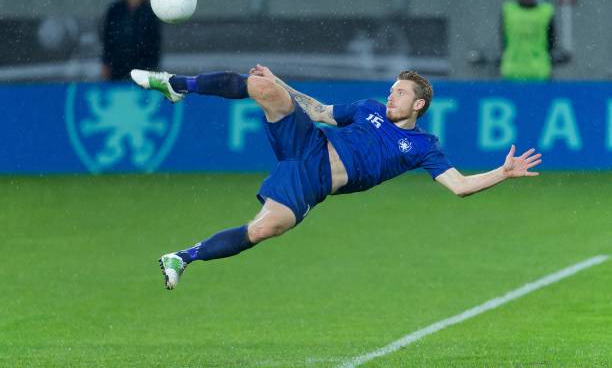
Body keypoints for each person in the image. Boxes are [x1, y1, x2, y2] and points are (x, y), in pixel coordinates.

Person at [130, 66, 543, 290]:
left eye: (399, 92)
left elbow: (460, 186)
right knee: (261, 86)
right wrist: (281, 84)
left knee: (264, 229)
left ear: (418, 104)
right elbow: (320, 111)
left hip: (313, 181)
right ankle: (174, 84)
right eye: (391, 89)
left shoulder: (424, 146)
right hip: (309, 144)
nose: (390, 95)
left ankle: (182, 258)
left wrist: (502, 173)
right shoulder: (367, 108)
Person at [101, 0, 160, 81]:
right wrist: (106, 62)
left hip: (143, 65)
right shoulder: (116, 9)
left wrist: (152, 65)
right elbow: (107, 37)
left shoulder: (150, 11)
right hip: (117, 64)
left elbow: (155, 40)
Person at [500, 0, 556, 81]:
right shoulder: (546, 12)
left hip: (512, 70)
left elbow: (503, 41)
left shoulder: (508, 11)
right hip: (539, 70)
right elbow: (551, 43)